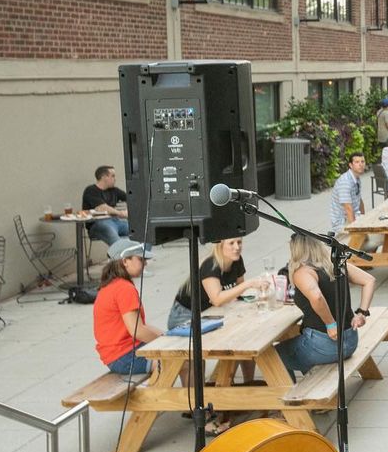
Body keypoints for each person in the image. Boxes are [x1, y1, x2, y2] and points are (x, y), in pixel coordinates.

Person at [167, 237, 268, 390]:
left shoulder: (236, 261)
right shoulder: (211, 266)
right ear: (220, 245)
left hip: (210, 312)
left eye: (239, 242)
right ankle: (195, 405)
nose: (236, 247)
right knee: (196, 356)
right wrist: (249, 284)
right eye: (231, 243)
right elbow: (217, 299)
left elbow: (239, 291)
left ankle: (248, 384)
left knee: (243, 337)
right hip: (186, 315)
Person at [275, 234, 375, 380]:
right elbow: (369, 280)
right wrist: (362, 313)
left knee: (275, 355)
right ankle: (309, 384)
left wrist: (330, 324)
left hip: (326, 344)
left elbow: (317, 296)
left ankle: (289, 396)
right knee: (297, 344)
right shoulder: (335, 264)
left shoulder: (303, 272)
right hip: (350, 340)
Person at [93, 239, 160, 375]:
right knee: (184, 362)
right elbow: (138, 331)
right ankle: (188, 396)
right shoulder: (124, 289)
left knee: (182, 359)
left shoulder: (112, 285)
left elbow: (141, 326)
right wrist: (166, 344)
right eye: (141, 259)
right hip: (125, 356)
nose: (146, 263)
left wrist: (165, 336)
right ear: (125, 261)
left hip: (118, 355)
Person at [82, 165, 130, 246]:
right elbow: (102, 207)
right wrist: (120, 213)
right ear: (104, 177)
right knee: (115, 240)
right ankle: (121, 254)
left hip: (116, 222)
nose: (115, 179)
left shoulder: (114, 190)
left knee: (140, 231)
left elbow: (133, 200)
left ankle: (139, 256)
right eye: (113, 176)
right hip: (97, 224)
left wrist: (129, 211)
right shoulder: (91, 190)